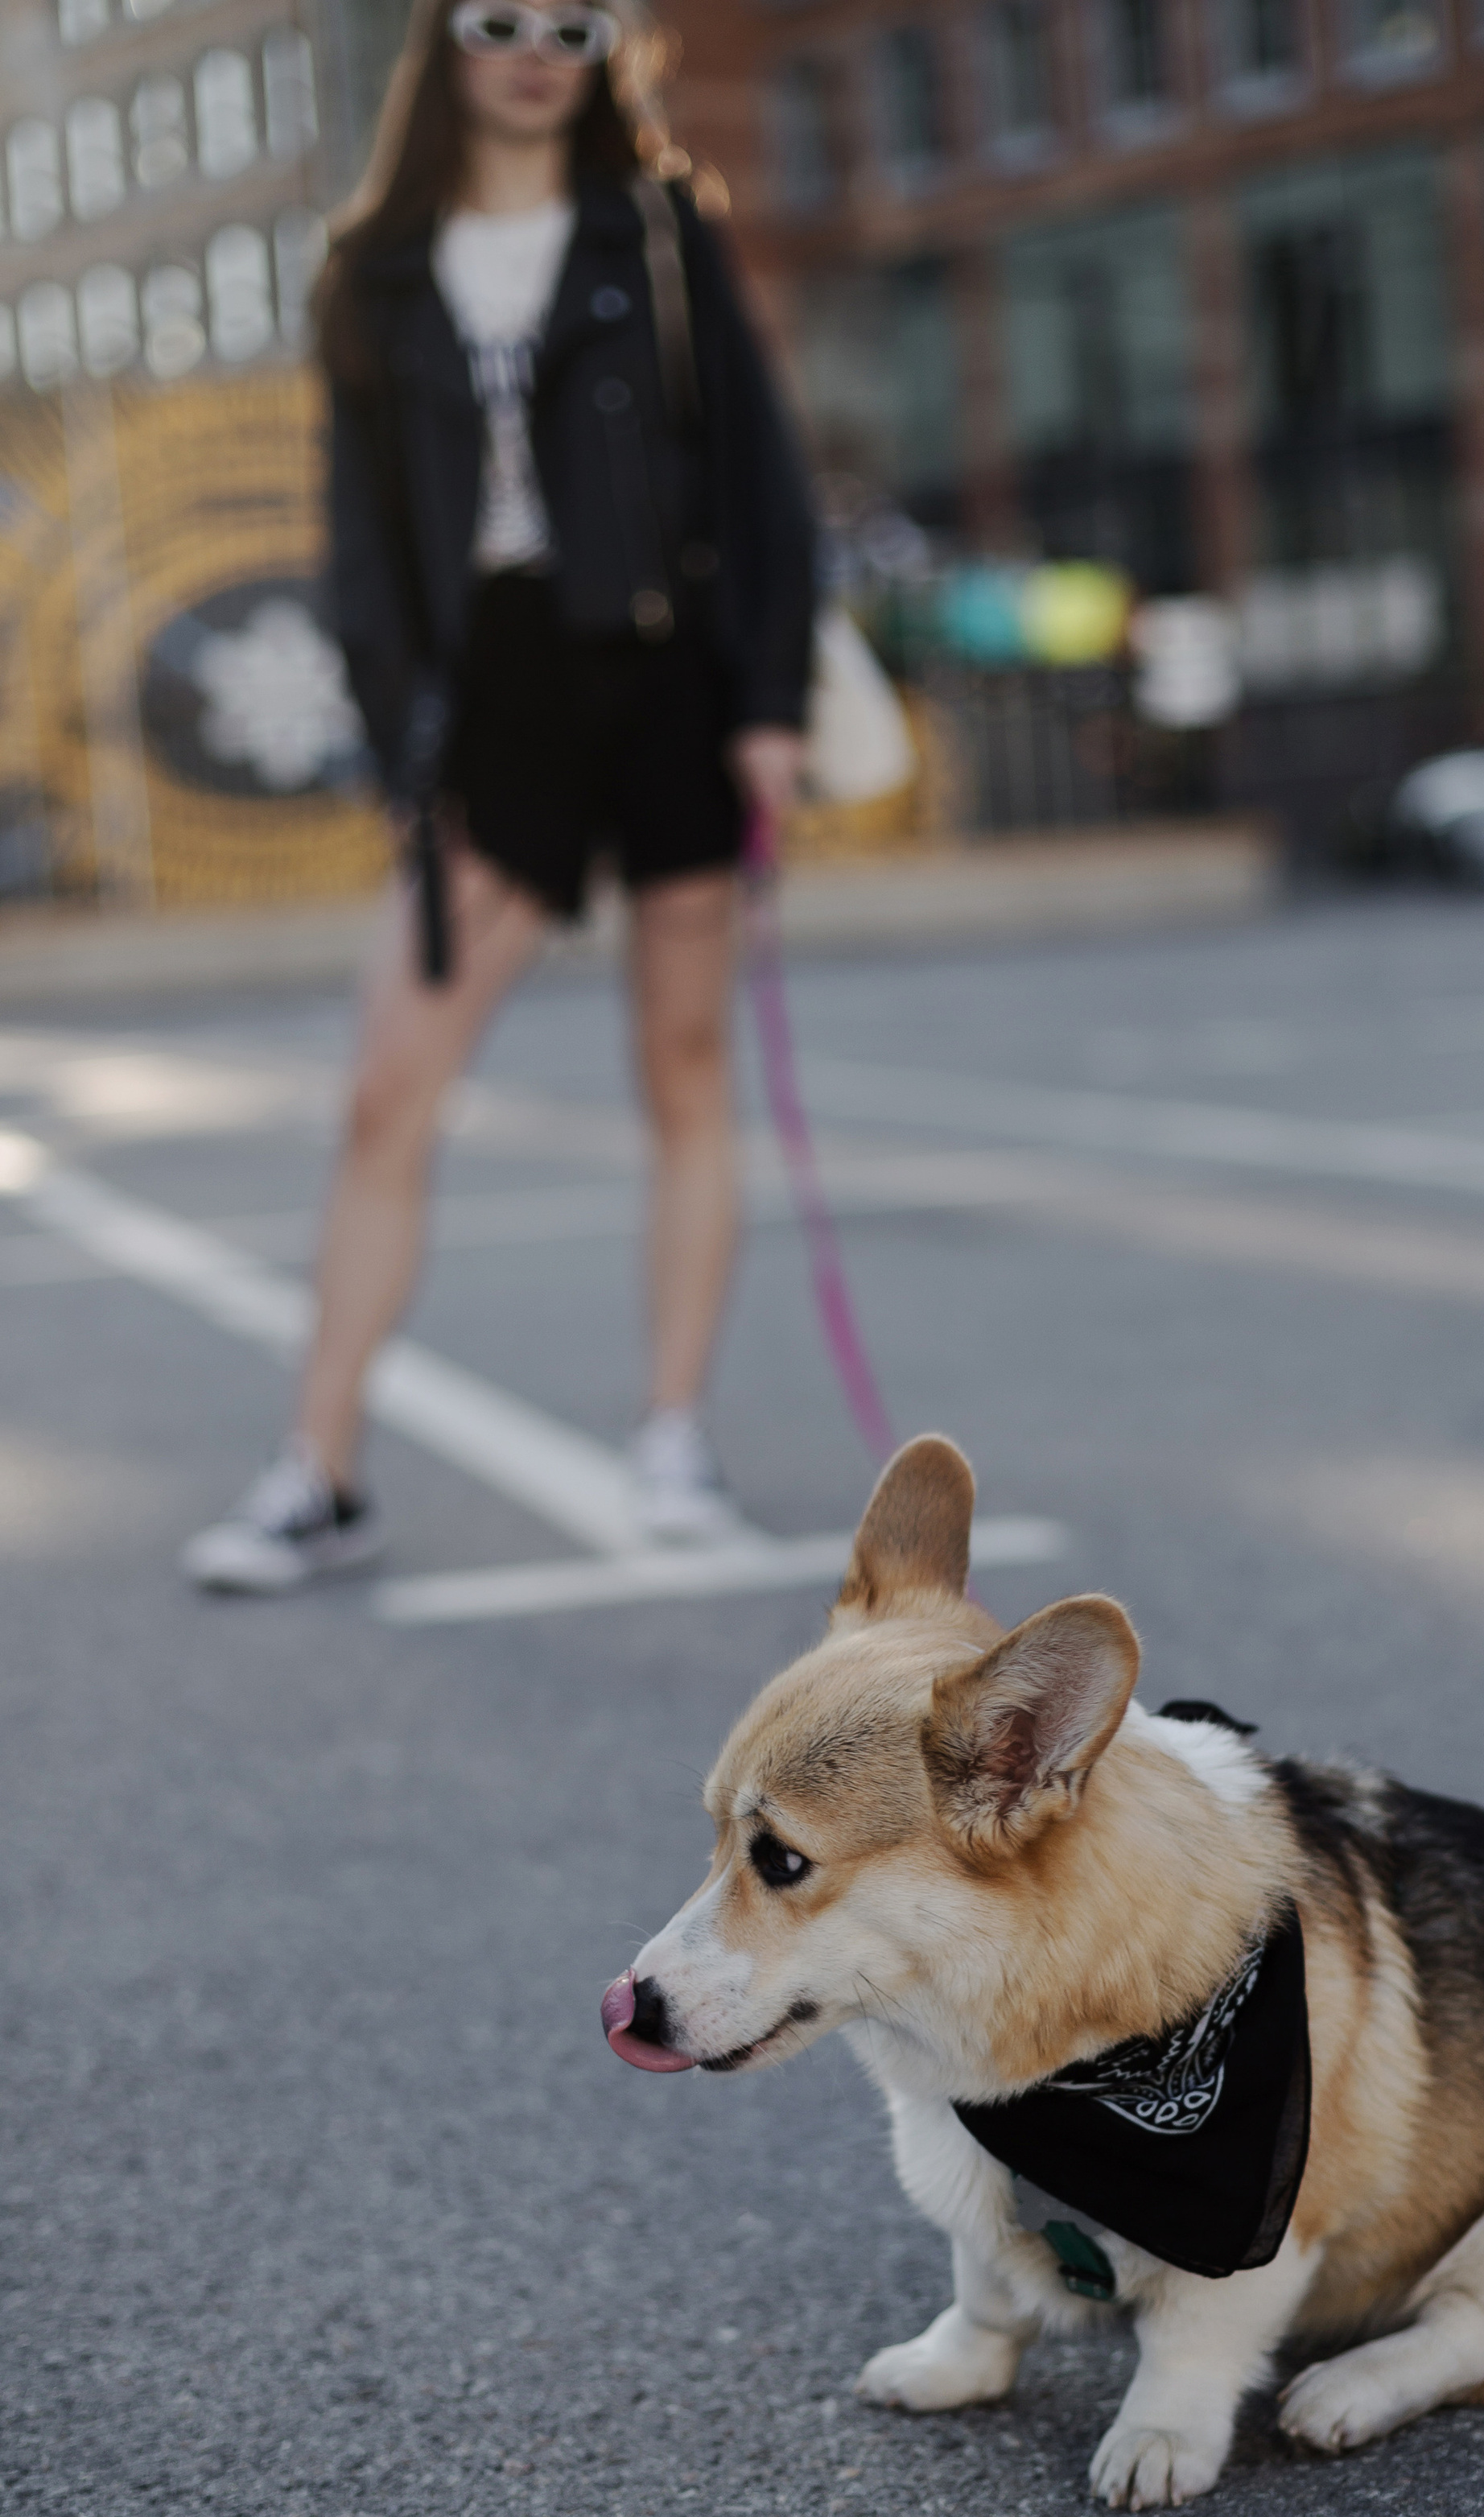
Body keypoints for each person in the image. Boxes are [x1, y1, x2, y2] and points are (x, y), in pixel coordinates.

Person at [183, 0, 816, 1593]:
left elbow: (759, 476)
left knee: (682, 1063)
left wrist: (770, 706)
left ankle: (672, 1435)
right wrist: (408, 739)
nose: (536, 48)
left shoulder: (659, 226)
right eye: (500, 19)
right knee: (387, 1088)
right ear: (443, 42)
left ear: (605, 48)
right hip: (493, 700)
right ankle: (318, 1472)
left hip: (666, 671)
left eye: (572, 22)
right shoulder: (371, 266)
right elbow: (359, 539)